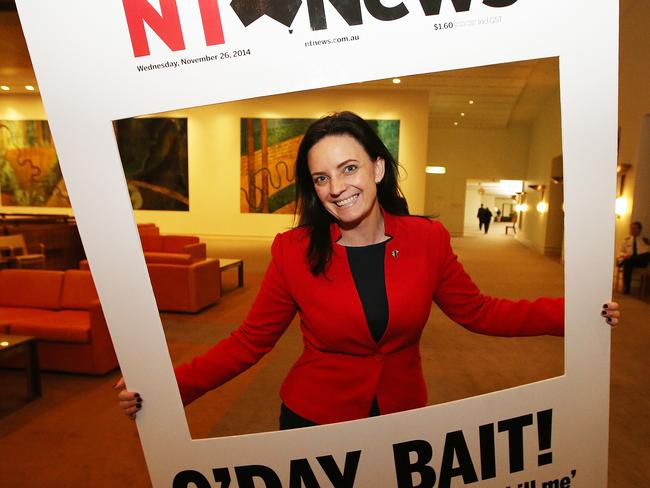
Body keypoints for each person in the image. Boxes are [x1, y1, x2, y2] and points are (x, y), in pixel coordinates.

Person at [116, 112, 620, 427]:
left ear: (377, 168)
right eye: (320, 178)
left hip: (401, 419)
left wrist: (575, 315)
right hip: (315, 419)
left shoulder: (427, 239)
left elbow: (482, 313)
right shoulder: (293, 250)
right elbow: (249, 342)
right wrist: (169, 389)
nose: (336, 188)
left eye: (349, 168)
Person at [618, 221, 650, 294]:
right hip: (631, 262)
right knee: (628, 262)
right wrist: (626, 256)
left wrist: (632, 256)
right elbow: (621, 252)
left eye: (635, 228)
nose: (633, 230)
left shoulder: (645, 240)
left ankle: (623, 262)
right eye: (631, 228)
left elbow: (647, 253)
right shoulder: (626, 240)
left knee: (646, 255)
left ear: (639, 230)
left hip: (641, 262)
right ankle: (627, 288)